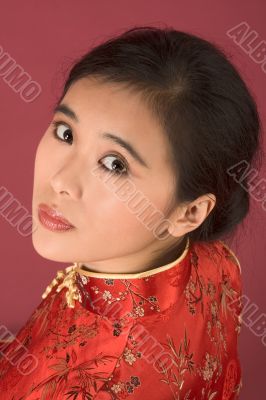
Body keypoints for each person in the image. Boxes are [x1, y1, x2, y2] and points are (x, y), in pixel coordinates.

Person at [0, 25, 262, 399]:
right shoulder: (218, 266)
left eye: (114, 164)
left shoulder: (89, 385)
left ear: (190, 213)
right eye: (65, 133)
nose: (61, 181)